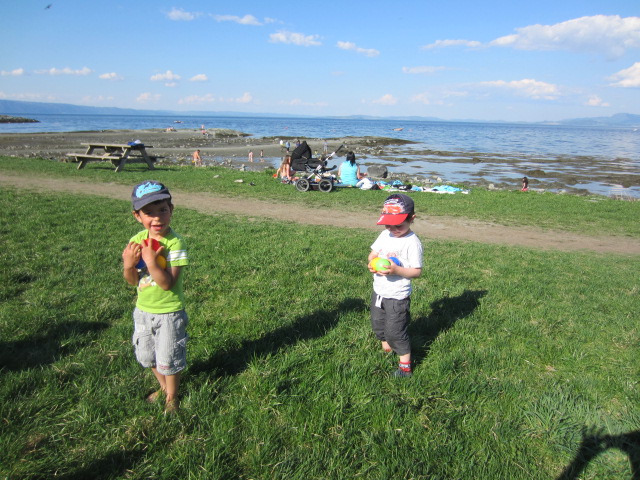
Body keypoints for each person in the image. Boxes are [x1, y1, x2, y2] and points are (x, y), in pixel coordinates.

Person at [122, 181, 189, 413]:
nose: (157, 218)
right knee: (147, 355)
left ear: (171, 210)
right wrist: (128, 265)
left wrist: (151, 261)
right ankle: (163, 387)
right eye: (148, 213)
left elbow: (168, 283)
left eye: (162, 210)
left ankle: (172, 397)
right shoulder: (137, 241)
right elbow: (133, 281)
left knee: (169, 358)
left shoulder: (175, 243)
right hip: (143, 310)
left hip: (169, 312)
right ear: (137, 216)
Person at [368, 194, 423, 378]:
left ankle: (405, 368)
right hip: (379, 291)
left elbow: (416, 272)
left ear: (412, 218)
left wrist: (397, 270)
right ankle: (387, 351)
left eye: (398, 225)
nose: (392, 229)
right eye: (388, 224)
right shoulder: (385, 235)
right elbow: (373, 254)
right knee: (378, 324)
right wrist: (372, 262)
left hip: (397, 296)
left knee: (396, 331)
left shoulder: (412, 243)